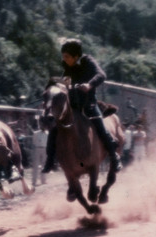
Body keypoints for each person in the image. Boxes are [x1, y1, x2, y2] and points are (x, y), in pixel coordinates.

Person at [42, 39, 122, 173]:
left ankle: (114, 157)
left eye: (66, 56)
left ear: (76, 56)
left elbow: (101, 75)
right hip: (73, 106)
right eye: (63, 56)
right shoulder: (67, 66)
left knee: (100, 127)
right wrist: (51, 90)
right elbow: (64, 82)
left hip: (88, 104)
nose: (64, 59)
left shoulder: (88, 61)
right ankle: (50, 160)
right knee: (54, 126)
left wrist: (89, 85)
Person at [30, 118, 48, 186]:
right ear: (40, 126)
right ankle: (34, 181)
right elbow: (34, 142)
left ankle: (43, 180)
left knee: (44, 165)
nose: (43, 127)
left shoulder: (47, 133)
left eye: (44, 126)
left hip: (45, 149)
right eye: (42, 125)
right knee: (35, 166)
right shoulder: (36, 133)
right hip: (37, 149)